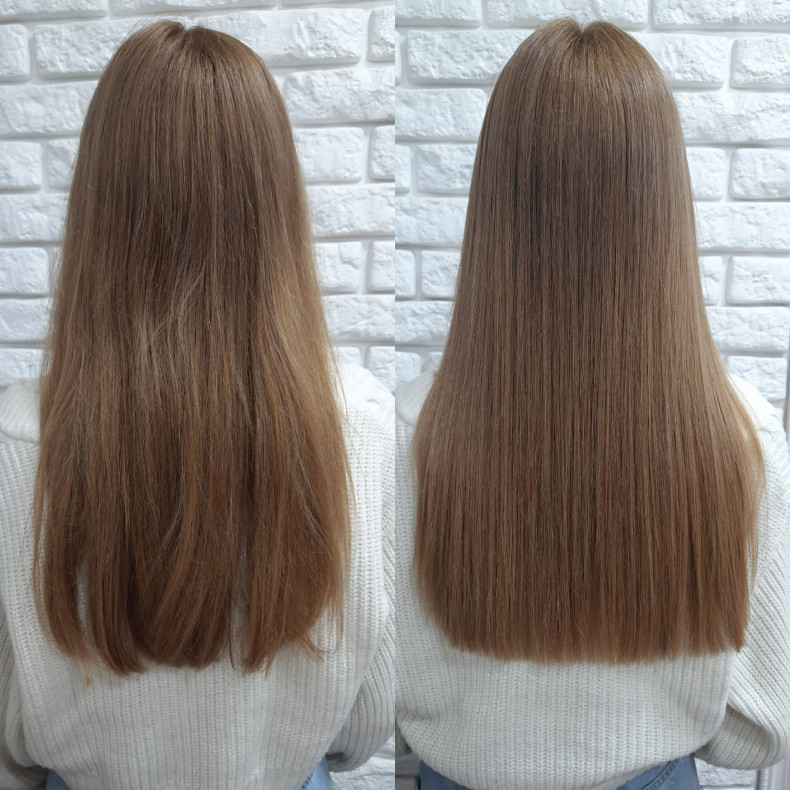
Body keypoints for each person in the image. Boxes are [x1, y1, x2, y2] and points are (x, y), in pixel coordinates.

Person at [394, 16, 790, 790]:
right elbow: (758, 726)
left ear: (496, 201)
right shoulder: (741, 437)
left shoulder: (408, 434)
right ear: (662, 202)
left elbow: (388, 694)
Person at [0, 19, 393, 790]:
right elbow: (364, 717)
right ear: (275, 201)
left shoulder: (19, 443)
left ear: (98, 207)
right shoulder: (360, 425)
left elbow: (11, 735)